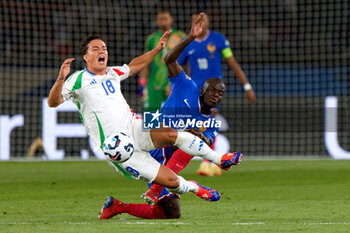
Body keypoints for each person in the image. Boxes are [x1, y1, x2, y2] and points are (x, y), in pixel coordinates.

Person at [47, 13, 241, 220]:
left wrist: (157, 50)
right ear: (86, 57)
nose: (102, 51)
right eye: (96, 49)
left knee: (172, 132)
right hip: (117, 147)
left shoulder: (112, 73)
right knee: (173, 182)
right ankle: (195, 188)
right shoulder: (77, 79)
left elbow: (134, 65)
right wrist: (60, 79)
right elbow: (54, 102)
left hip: (135, 126)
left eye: (104, 48)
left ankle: (220, 159)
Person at [177, 13, 257, 176]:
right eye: (195, 21)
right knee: (194, 126)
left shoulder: (219, 40)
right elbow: (178, 66)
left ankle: (207, 163)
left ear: (208, 22)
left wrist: (247, 86)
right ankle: (209, 161)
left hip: (214, 90)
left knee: (208, 119)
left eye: (202, 20)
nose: (199, 23)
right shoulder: (187, 43)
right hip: (194, 90)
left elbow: (232, 62)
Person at [139, 10, 186, 112]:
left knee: (175, 119)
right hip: (154, 84)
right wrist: (142, 83)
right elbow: (146, 62)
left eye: (165, 19)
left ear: (171, 20)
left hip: (174, 84)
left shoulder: (181, 36)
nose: (163, 21)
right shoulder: (151, 39)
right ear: (156, 22)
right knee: (151, 119)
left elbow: (186, 61)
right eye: (160, 19)